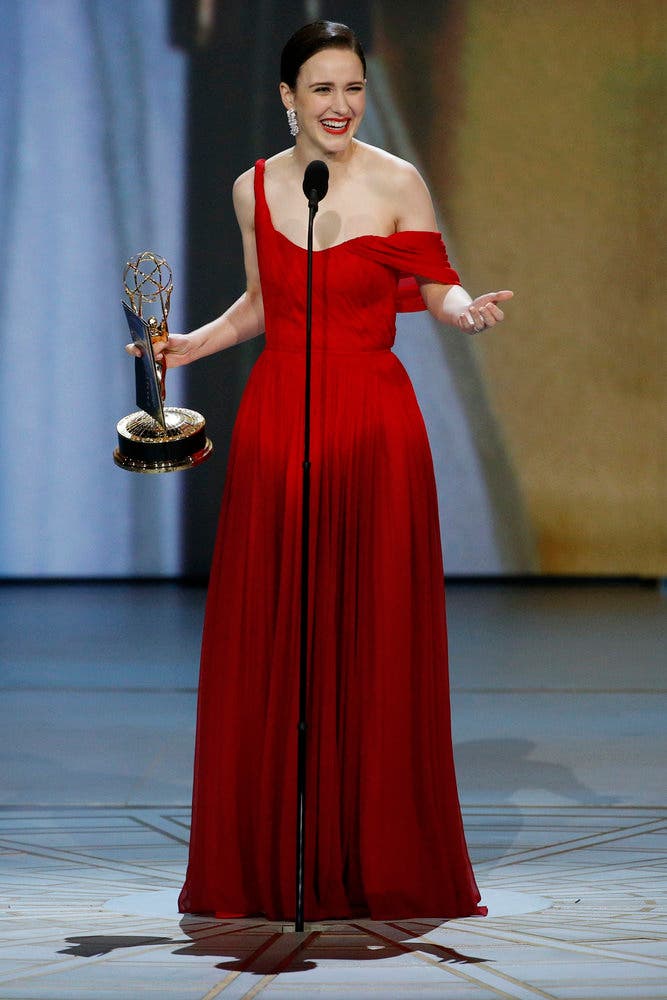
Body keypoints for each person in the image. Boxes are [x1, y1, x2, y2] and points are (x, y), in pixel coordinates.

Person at [128, 20, 512, 921]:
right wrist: (191, 344)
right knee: (277, 629)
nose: (340, 106)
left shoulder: (398, 181)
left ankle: (375, 856)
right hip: (281, 419)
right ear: (288, 97)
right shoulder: (255, 186)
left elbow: (435, 284)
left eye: (353, 89)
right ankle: (269, 857)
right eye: (323, 89)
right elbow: (265, 303)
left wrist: (462, 311)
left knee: (373, 629)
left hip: (373, 421)